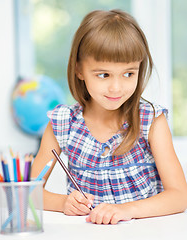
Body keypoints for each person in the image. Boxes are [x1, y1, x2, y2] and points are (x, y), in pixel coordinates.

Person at [31, 9, 187, 225]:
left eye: (128, 74)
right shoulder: (63, 123)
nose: (116, 87)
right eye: (103, 74)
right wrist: (63, 203)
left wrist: (125, 210)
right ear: (79, 70)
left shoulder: (151, 120)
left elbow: (179, 196)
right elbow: (26, 192)